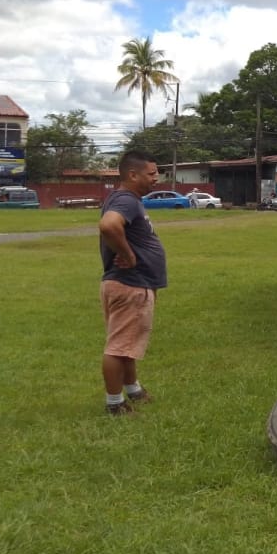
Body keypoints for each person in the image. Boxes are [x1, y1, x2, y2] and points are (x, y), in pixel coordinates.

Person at [98, 150, 167, 415]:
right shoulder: (126, 200)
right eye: (151, 173)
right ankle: (115, 404)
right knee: (118, 347)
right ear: (132, 174)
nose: (156, 178)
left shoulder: (126, 199)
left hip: (130, 284)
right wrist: (128, 254)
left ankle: (133, 390)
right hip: (130, 285)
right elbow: (108, 226)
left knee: (126, 345)